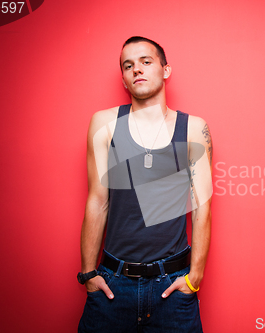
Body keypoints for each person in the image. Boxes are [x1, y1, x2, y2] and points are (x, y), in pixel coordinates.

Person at [77, 36, 213, 333]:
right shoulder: (104, 124)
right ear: (124, 80)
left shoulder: (193, 129)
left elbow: (202, 205)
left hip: (172, 286)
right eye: (128, 66)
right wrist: (88, 274)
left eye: (145, 62)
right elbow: (98, 201)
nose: (136, 69)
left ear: (165, 70)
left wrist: (195, 278)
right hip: (113, 284)